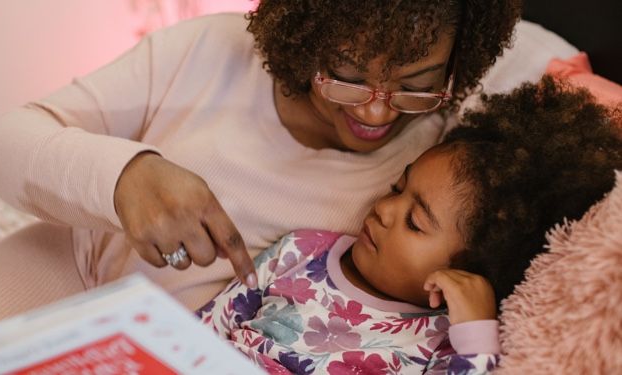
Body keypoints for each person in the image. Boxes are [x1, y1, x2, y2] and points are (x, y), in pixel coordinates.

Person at [0, 1, 522, 325]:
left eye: (415, 86)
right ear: (305, 32)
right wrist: (125, 177)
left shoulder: (443, 148)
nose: (377, 110)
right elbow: (4, 142)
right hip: (70, 263)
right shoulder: (210, 52)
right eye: (347, 75)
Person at [196, 78, 622, 374]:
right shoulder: (302, 250)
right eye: (398, 187)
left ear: (467, 272)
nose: (384, 209)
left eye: (415, 222)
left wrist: (476, 335)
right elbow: (204, 328)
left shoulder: (444, 341)